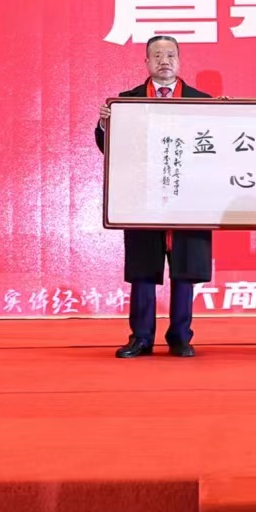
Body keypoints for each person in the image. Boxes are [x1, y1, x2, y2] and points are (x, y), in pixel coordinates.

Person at [95, 36, 213, 358]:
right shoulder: (126, 102)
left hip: (187, 201)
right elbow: (110, 150)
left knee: (185, 269)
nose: (164, 61)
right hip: (142, 200)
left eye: (170, 55)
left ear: (179, 61)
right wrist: (105, 125)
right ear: (146, 62)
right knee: (143, 270)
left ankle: (180, 337)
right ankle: (141, 338)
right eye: (157, 55)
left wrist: (225, 118)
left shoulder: (203, 102)